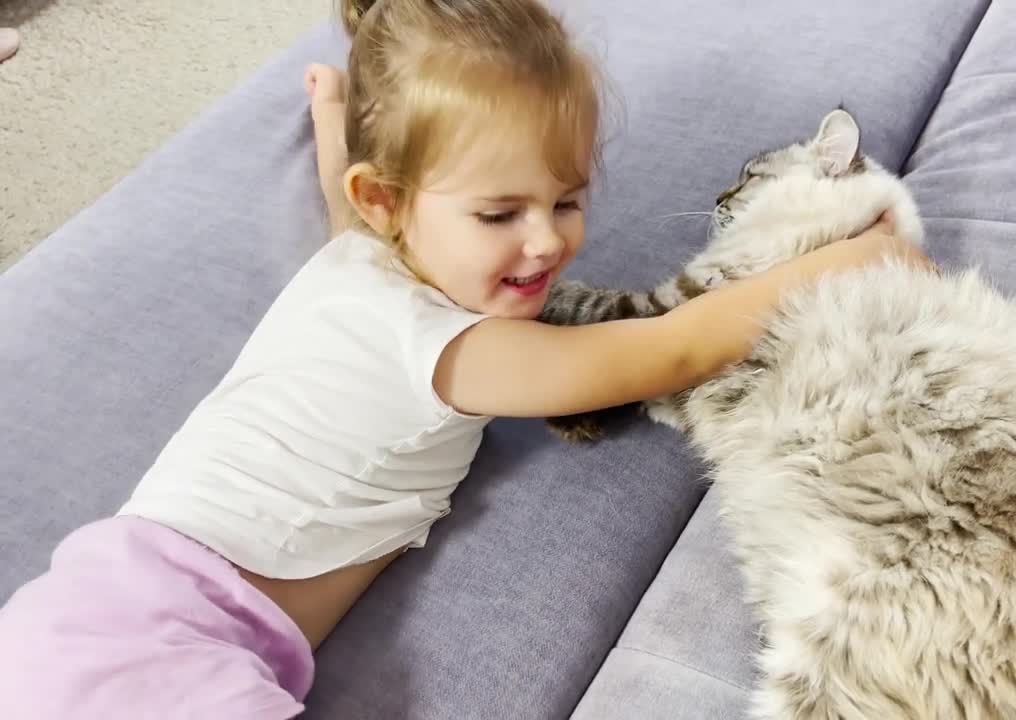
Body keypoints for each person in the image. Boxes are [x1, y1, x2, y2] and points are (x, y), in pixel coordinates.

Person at [0, 0, 933, 717]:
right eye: (500, 215)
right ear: (390, 200)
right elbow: (667, 348)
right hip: (165, 633)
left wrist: (332, 110)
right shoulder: (466, 351)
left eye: (566, 200)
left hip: (85, 605)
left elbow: (339, 193)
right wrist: (857, 252)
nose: (548, 244)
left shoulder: (360, 251)